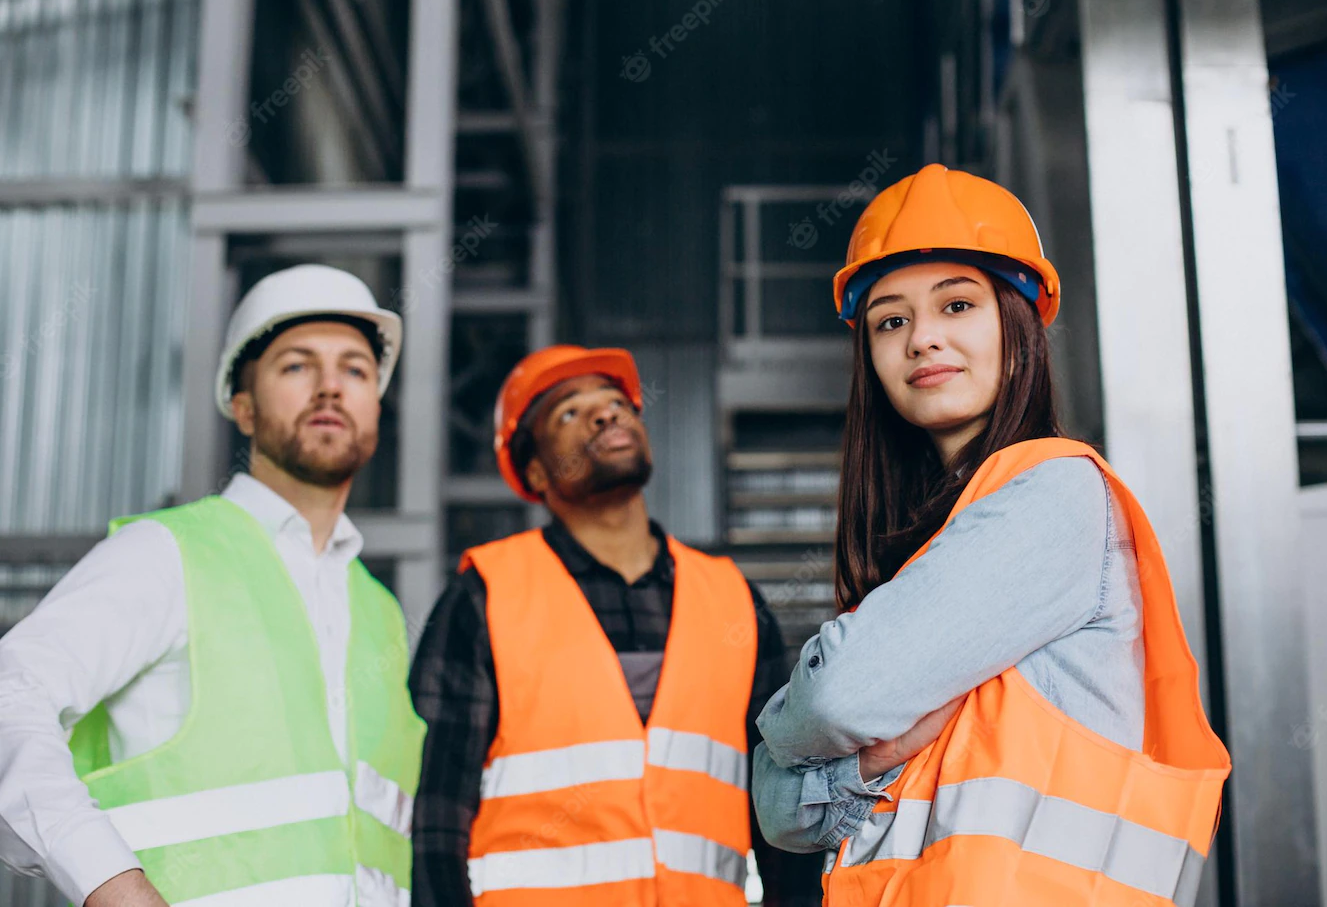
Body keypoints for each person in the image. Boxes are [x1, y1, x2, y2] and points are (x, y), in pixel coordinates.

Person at [751, 165, 1231, 906]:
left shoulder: (1055, 495)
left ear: (1020, 323)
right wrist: (861, 754)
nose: (922, 339)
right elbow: (780, 816)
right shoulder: (936, 540)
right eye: (891, 320)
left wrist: (786, 734)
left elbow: (843, 694)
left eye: (958, 304)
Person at [0, 265, 425, 907]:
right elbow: (11, 694)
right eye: (296, 366)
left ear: (375, 408)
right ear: (243, 406)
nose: (332, 387)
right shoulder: (167, 554)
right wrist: (111, 886)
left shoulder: (380, 611)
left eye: (356, 370)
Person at [409, 344, 822, 906]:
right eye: (570, 412)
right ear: (534, 470)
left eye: (615, 403)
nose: (606, 414)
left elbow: (782, 807)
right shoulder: (484, 595)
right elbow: (437, 814)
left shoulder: (733, 601)